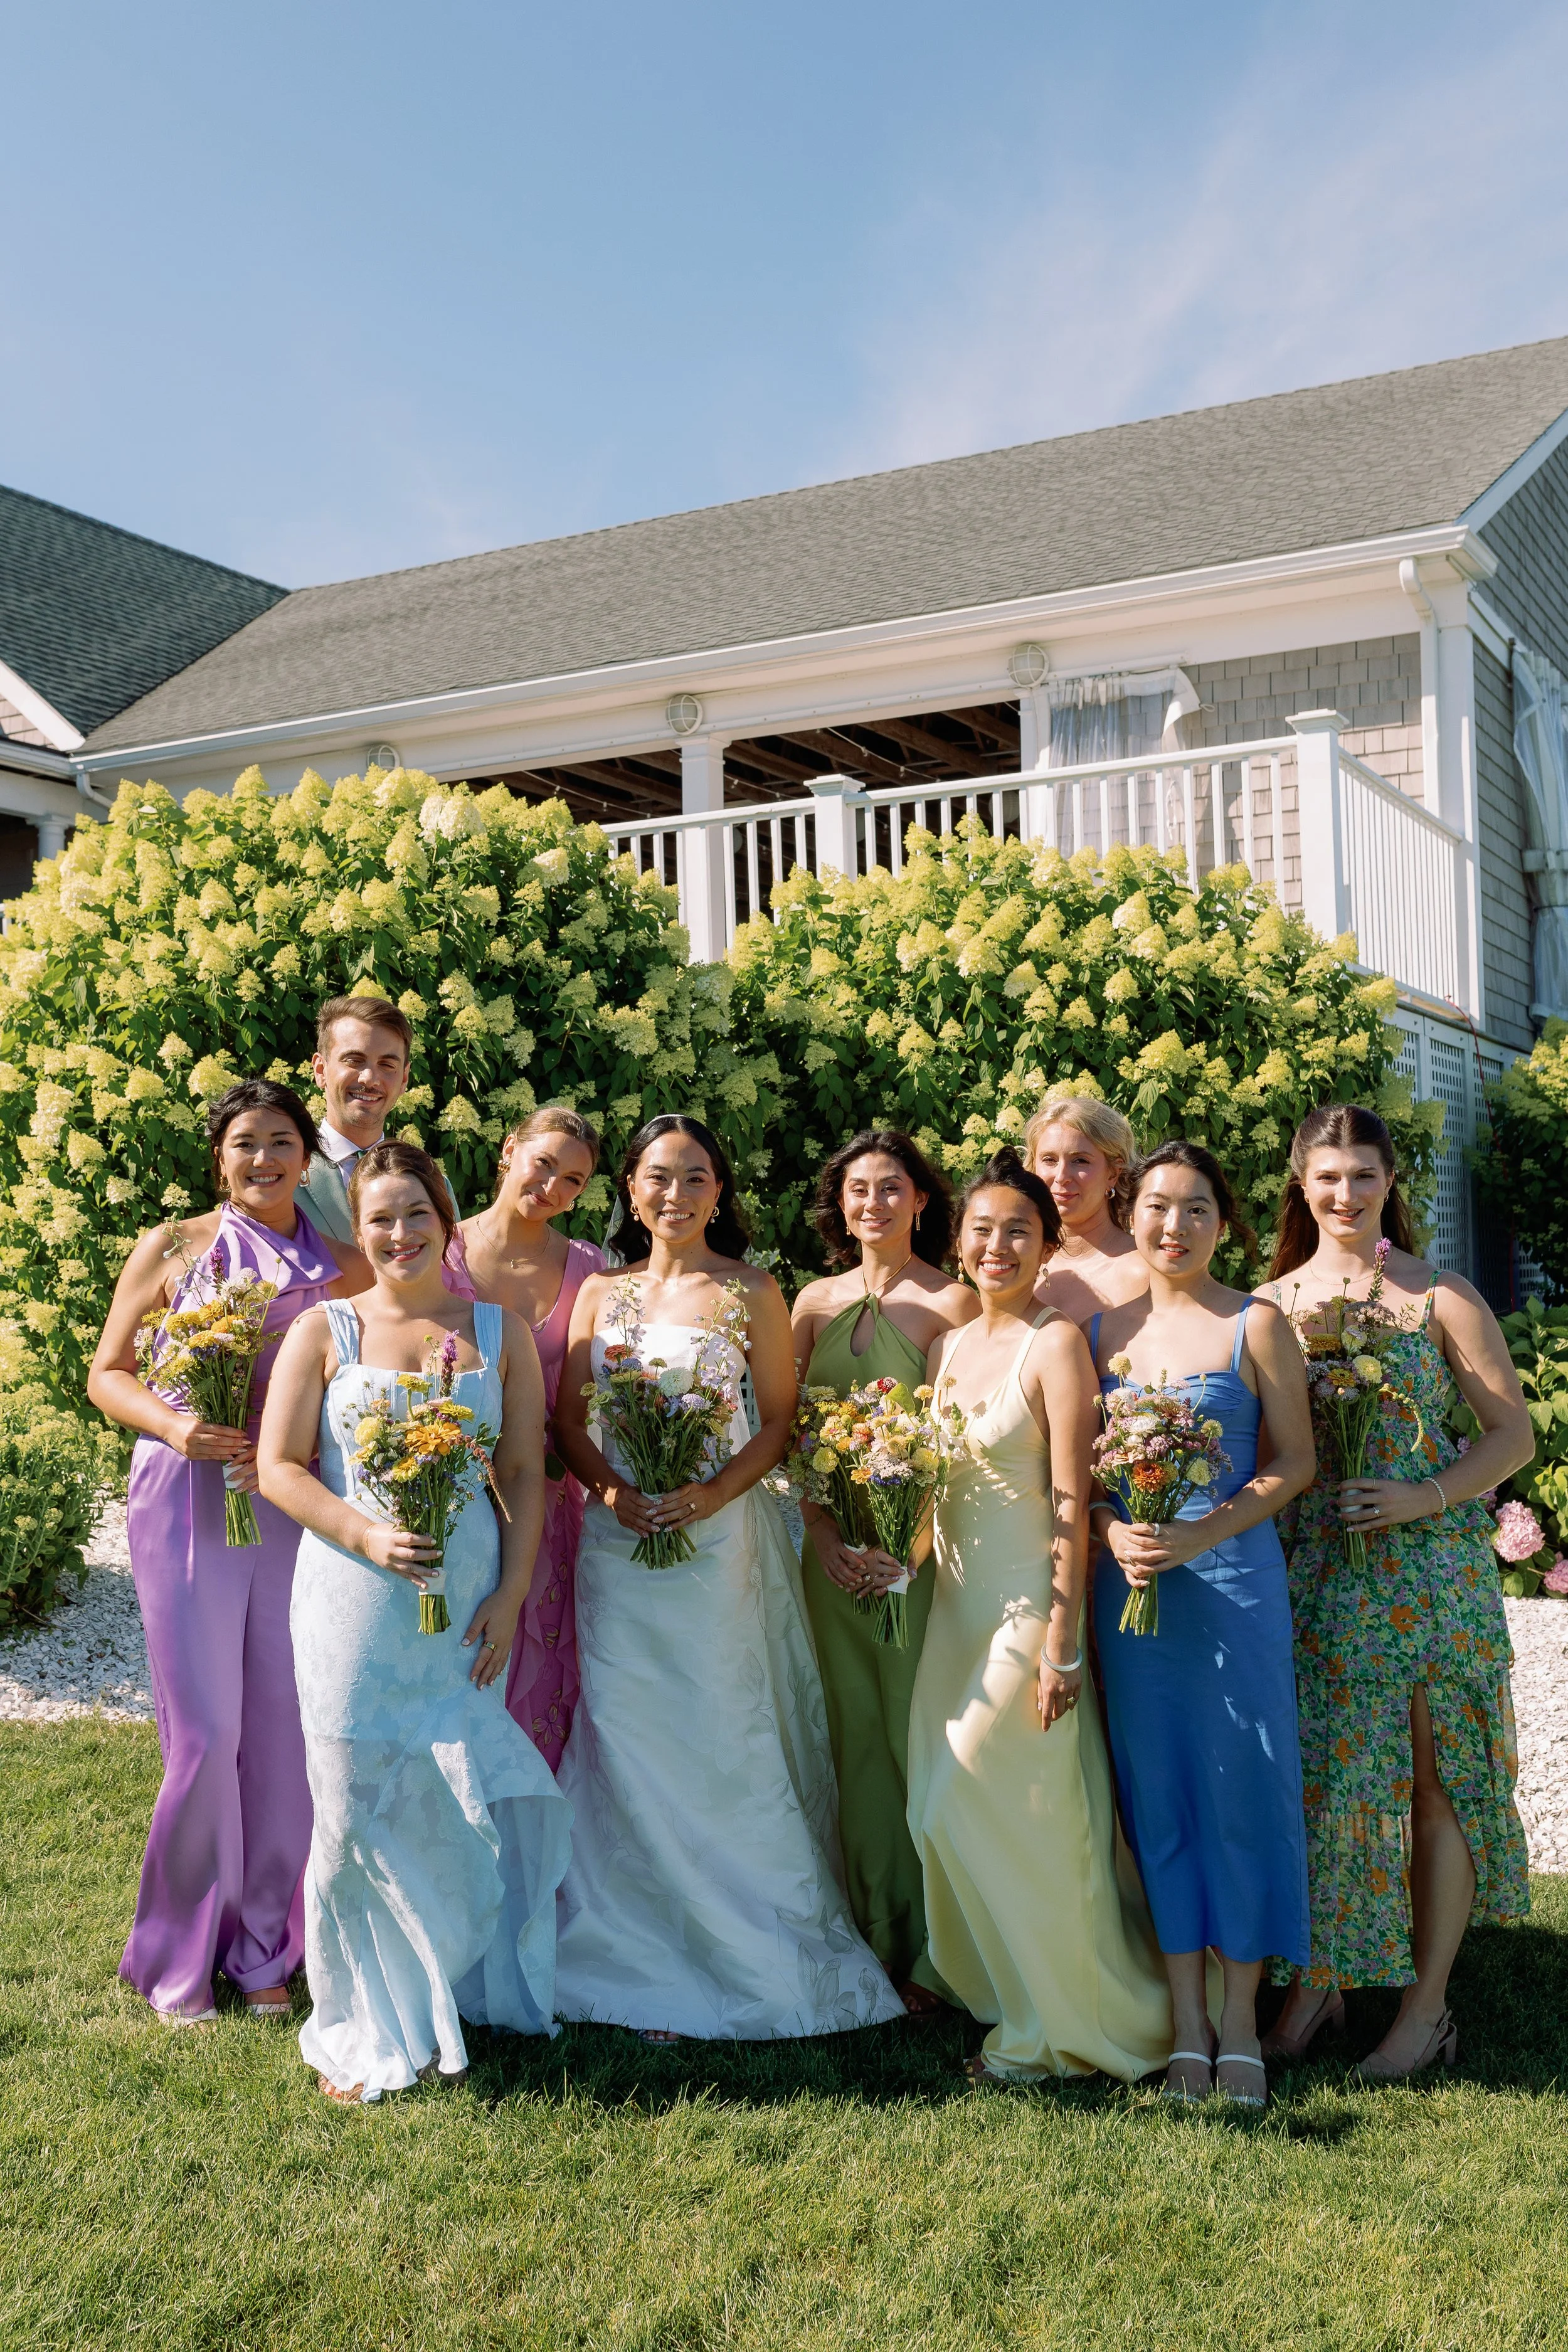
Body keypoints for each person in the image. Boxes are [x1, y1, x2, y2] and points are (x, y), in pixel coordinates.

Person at [553, 1115, 904, 2040]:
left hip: (716, 1543)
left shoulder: (752, 1288)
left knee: (715, 1726)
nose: (676, 1194)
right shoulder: (599, 1291)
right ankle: (633, 1941)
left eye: (696, 1177)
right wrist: (611, 1489)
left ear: (721, 1190)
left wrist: (709, 1491)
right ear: (629, 1188)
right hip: (619, 1543)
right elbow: (568, 1419)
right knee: (626, 1728)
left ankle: (742, 1942)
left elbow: (779, 1422)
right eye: (658, 1177)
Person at [258, 1141, 570, 2104]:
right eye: (380, 1217)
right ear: (360, 1227)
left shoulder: (497, 1328)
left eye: (416, 1214)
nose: (399, 1234)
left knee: (450, 1784)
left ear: (446, 1219)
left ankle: (454, 1983)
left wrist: (512, 1594)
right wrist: (364, 1531)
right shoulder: (325, 1331)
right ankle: (358, 2020)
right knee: (350, 1802)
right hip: (353, 1597)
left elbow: (521, 1471)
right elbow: (281, 1465)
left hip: (465, 1597)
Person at [1259, 1104, 1534, 2080]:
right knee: (1320, 1777)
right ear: (1300, 1182)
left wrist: (1424, 1493)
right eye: (1327, 1176)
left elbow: (1514, 1435)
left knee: (1429, 1780)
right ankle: (1319, 1981)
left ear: (1390, 1183)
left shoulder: (1437, 1293)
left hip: (1425, 1578)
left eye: (1363, 1177)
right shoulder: (1268, 1304)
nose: (1345, 1194)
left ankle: (1424, 2012)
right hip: (1313, 1569)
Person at [87, 1079, 368, 2023]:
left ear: (306, 1155)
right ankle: (178, 1954)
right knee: (206, 1734)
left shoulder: (341, 1263)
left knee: (287, 1734)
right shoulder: (172, 1247)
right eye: (244, 1142)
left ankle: (264, 1953)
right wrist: (175, 1424)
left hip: (289, 1500)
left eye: (281, 1140)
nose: (263, 1158)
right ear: (220, 1157)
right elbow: (108, 1372)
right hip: (188, 1499)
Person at [907, 1147, 1170, 2086]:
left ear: (1047, 1243)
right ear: (960, 1239)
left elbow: (1071, 1500)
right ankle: (1006, 1990)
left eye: (1019, 1229)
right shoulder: (946, 1346)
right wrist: (889, 1553)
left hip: (1027, 1615)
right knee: (938, 1813)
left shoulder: (1056, 1343)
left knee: (1011, 1811)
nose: (998, 1245)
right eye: (981, 1228)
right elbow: (939, 1493)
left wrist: (1062, 1644)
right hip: (953, 1614)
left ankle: (1064, 2031)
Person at [1088, 1141, 1316, 2106]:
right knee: (1161, 1795)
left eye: (1194, 1210)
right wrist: (1112, 1533)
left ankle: (1239, 2020)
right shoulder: (1098, 1332)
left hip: (1235, 1584)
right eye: (1154, 1207)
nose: (1171, 1227)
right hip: (1135, 1597)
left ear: (1225, 1223)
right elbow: (1078, 1475)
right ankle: (1184, 2020)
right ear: (1129, 1213)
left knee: (1244, 1791)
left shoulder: (1253, 1324)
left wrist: (1202, 1531)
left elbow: (1296, 1461)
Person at [789, 1129, 977, 2012]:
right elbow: (796, 1436)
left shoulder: (956, 1302)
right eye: (858, 1187)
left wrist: (910, 1547)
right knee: (855, 1741)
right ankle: (872, 1934)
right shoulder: (812, 1300)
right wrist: (823, 1535)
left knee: (919, 1745)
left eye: (892, 1186)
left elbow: (963, 1444)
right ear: (841, 1201)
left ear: (922, 1200)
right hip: (831, 1560)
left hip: (916, 1560)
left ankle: (941, 1952)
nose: (875, 1202)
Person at [443, 1106, 604, 1766]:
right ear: (509, 1149)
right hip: (442, 1490)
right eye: (544, 1163)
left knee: (539, 1663)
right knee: (455, 1656)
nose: (553, 1188)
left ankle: (531, 1844)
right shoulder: (436, 1246)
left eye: (573, 1181)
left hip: (545, 1496)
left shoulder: (590, 1267)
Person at [294, 993, 457, 1242]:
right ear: (320, 1070)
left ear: (404, 1079)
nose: (369, 1078)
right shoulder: (283, 1175)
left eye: (387, 1065)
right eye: (354, 1061)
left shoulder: (435, 1183)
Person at [1025, 1094, 1147, 1325]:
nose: (1061, 1177)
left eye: (1080, 1161)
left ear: (1113, 1173)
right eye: (1049, 1160)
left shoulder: (1142, 1272)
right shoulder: (1016, 1260)